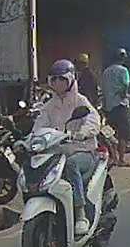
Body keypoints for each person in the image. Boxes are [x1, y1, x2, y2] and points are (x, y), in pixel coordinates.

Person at [34, 60, 102, 237]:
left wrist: (82, 133)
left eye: (62, 79)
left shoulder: (81, 101)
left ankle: (80, 214)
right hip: (57, 154)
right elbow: (39, 127)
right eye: (54, 79)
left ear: (70, 80)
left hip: (83, 151)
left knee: (71, 164)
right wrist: (31, 140)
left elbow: (93, 120)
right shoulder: (49, 106)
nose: (58, 83)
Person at [101, 48, 130, 168]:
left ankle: (114, 157)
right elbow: (125, 85)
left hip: (108, 106)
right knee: (123, 134)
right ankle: (121, 159)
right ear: (123, 58)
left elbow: (103, 88)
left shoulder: (106, 72)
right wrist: (123, 95)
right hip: (120, 105)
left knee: (112, 133)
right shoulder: (123, 70)